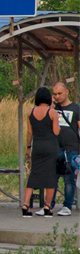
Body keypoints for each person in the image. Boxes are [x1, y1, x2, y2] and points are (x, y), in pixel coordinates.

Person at [22, 86, 60, 217]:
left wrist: (28, 148)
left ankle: (25, 204)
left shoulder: (30, 112)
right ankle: (47, 207)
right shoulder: (52, 112)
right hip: (50, 146)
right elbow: (56, 131)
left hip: (37, 146)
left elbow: (29, 132)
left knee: (34, 175)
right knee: (50, 176)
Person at [52, 82, 79, 216]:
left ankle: (67, 205)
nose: (57, 97)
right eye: (55, 94)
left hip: (71, 148)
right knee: (53, 177)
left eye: (59, 94)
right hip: (56, 147)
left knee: (68, 178)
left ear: (67, 92)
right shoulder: (53, 108)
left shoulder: (76, 108)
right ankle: (49, 204)